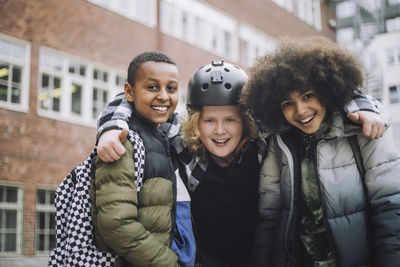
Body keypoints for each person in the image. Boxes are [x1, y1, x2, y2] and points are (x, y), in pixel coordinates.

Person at [96, 60, 387, 267]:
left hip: (264, 256)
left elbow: (318, 97)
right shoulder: (184, 144)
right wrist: (110, 127)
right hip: (208, 258)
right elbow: (139, 102)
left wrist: (360, 106)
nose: (219, 131)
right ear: (196, 123)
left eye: (230, 120)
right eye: (209, 120)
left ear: (247, 122)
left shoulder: (265, 144)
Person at [240, 36, 400, 267]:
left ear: (326, 90)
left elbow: (390, 206)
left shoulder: (362, 130)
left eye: (307, 95)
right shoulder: (279, 143)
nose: (301, 110)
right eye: (288, 103)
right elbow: (270, 216)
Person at [91, 51, 196, 267]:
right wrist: (168, 263)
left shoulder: (167, 137)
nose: (164, 96)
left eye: (171, 88)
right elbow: (117, 225)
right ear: (129, 92)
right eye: (152, 87)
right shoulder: (122, 141)